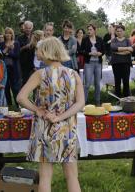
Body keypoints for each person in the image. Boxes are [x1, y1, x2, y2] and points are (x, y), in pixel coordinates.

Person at [17, 37, 84, 192]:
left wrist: (38, 110)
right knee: (72, 176)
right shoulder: (74, 74)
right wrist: (61, 117)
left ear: (46, 51)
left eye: (39, 50)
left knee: (45, 177)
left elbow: (20, 97)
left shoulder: (40, 74)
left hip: (45, 128)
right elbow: (80, 103)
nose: (37, 53)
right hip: (67, 129)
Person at [81, 23, 104, 105]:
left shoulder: (100, 39)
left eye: (91, 29)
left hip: (98, 63)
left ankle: (97, 103)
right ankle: (83, 103)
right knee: (87, 84)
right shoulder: (85, 39)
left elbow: (103, 51)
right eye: (88, 30)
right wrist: (89, 53)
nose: (89, 31)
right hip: (89, 64)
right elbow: (81, 51)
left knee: (97, 84)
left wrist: (100, 53)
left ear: (94, 30)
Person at [0, 28, 21, 108]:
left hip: (14, 70)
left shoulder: (16, 43)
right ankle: (10, 107)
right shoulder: (1, 44)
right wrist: (8, 48)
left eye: (9, 33)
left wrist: (8, 53)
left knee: (15, 89)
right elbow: (0, 55)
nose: (8, 35)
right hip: (4, 69)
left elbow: (17, 56)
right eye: (6, 33)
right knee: (6, 89)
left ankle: (18, 106)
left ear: (12, 34)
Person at [110, 24, 133, 97]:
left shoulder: (127, 40)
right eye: (117, 31)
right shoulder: (114, 40)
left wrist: (118, 51)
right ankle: (118, 98)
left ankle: (126, 98)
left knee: (126, 81)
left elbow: (131, 50)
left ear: (124, 31)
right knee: (117, 81)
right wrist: (126, 48)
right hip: (116, 63)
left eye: (121, 31)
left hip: (126, 63)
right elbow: (113, 48)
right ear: (116, 32)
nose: (119, 32)